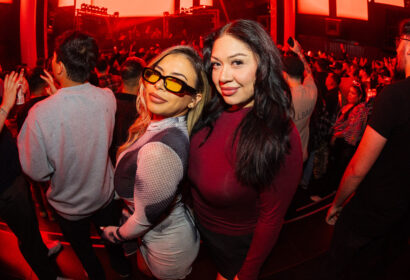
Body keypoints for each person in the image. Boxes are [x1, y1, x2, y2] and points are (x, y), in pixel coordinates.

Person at [188, 20, 303, 280]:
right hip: (203, 232)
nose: (223, 76)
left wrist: (246, 273)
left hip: (235, 245)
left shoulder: (279, 134)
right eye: (216, 64)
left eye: (237, 62)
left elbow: (271, 218)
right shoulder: (211, 108)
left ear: (263, 65)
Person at [18, 31, 130, 279]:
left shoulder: (40, 113)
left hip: (69, 206)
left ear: (58, 66)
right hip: (104, 195)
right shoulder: (107, 97)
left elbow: (35, 170)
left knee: (85, 252)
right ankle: (123, 271)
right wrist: (58, 96)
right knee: (112, 242)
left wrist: (54, 99)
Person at [101, 45, 210, 279]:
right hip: (157, 235)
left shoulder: (160, 151)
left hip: (168, 248)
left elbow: (143, 219)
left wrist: (115, 235)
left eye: (176, 82)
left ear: (194, 99)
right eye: (156, 74)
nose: (159, 84)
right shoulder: (162, 123)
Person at [324, 19, 410, 280]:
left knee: (341, 266)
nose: (395, 51)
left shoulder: (395, 96)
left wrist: (337, 204)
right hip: (403, 212)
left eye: (399, 43)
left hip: (374, 208)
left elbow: (357, 169)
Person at [0, 71, 61, 280]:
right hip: (4, 186)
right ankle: (49, 275)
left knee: (28, 223)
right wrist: (5, 104)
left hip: (11, 173)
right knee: (25, 234)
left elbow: (8, 118)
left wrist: (19, 97)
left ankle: (41, 249)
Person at [283, 38, 317, 162]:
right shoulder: (312, 90)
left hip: (285, 157)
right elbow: (309, 73)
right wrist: (299, 53)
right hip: (300, 155)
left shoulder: (282, 100)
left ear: (285, 75)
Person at [109, 56, 146, 164]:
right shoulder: (143, 109)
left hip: (112, 164)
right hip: (132, 165)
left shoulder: (110, 101)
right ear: (141, 78)